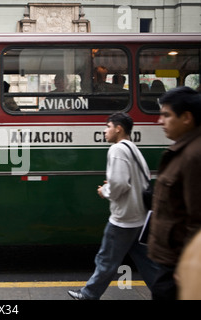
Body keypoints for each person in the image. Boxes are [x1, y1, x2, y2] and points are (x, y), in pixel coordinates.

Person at [68, 112, 158, 300]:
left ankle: (88, 295)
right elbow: (140, 180)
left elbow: (120, 184)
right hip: (138, 216)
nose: (104, 130)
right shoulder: (133, 148)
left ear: (119, 129)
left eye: (108, 126)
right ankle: (166, 291)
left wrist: (105, 191)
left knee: (106, 260)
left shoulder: (117, 150)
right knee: (147, 263)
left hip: (123, 218)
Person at [148, 86, 201, 300]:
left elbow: (197, 218)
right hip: (169, 259)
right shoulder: (183, 150)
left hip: (177, 264)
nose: (160, 121)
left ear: (186, 118)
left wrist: (187, 264)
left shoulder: (194, 156)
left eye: (166, 115)